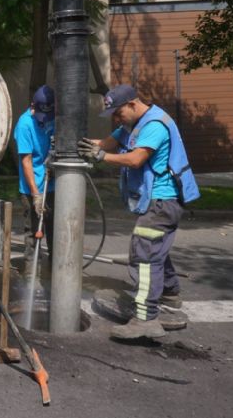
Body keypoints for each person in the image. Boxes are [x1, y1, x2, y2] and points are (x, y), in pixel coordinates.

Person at [77, 84, 200, 339]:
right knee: (156, 249)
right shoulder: (132, 124)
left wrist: (100, 156)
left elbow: (135, 159)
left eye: (118, 113)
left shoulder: (154, 125)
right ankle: (170, 293)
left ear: (133, 104)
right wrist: (82, 145)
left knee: (144, 253)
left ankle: (146, 319)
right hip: (157, 202)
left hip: (163, 202)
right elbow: (107, 143)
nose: (116, 118)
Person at [14, 85, 55, 279]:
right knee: (33, 232)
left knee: (55, 229)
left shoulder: (55, 118)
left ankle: (55, 271)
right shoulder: (25, 124)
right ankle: (31, 275)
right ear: (33, 106)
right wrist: (36, 194)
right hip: (32, 186)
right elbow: (26, 160)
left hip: (53, 183)